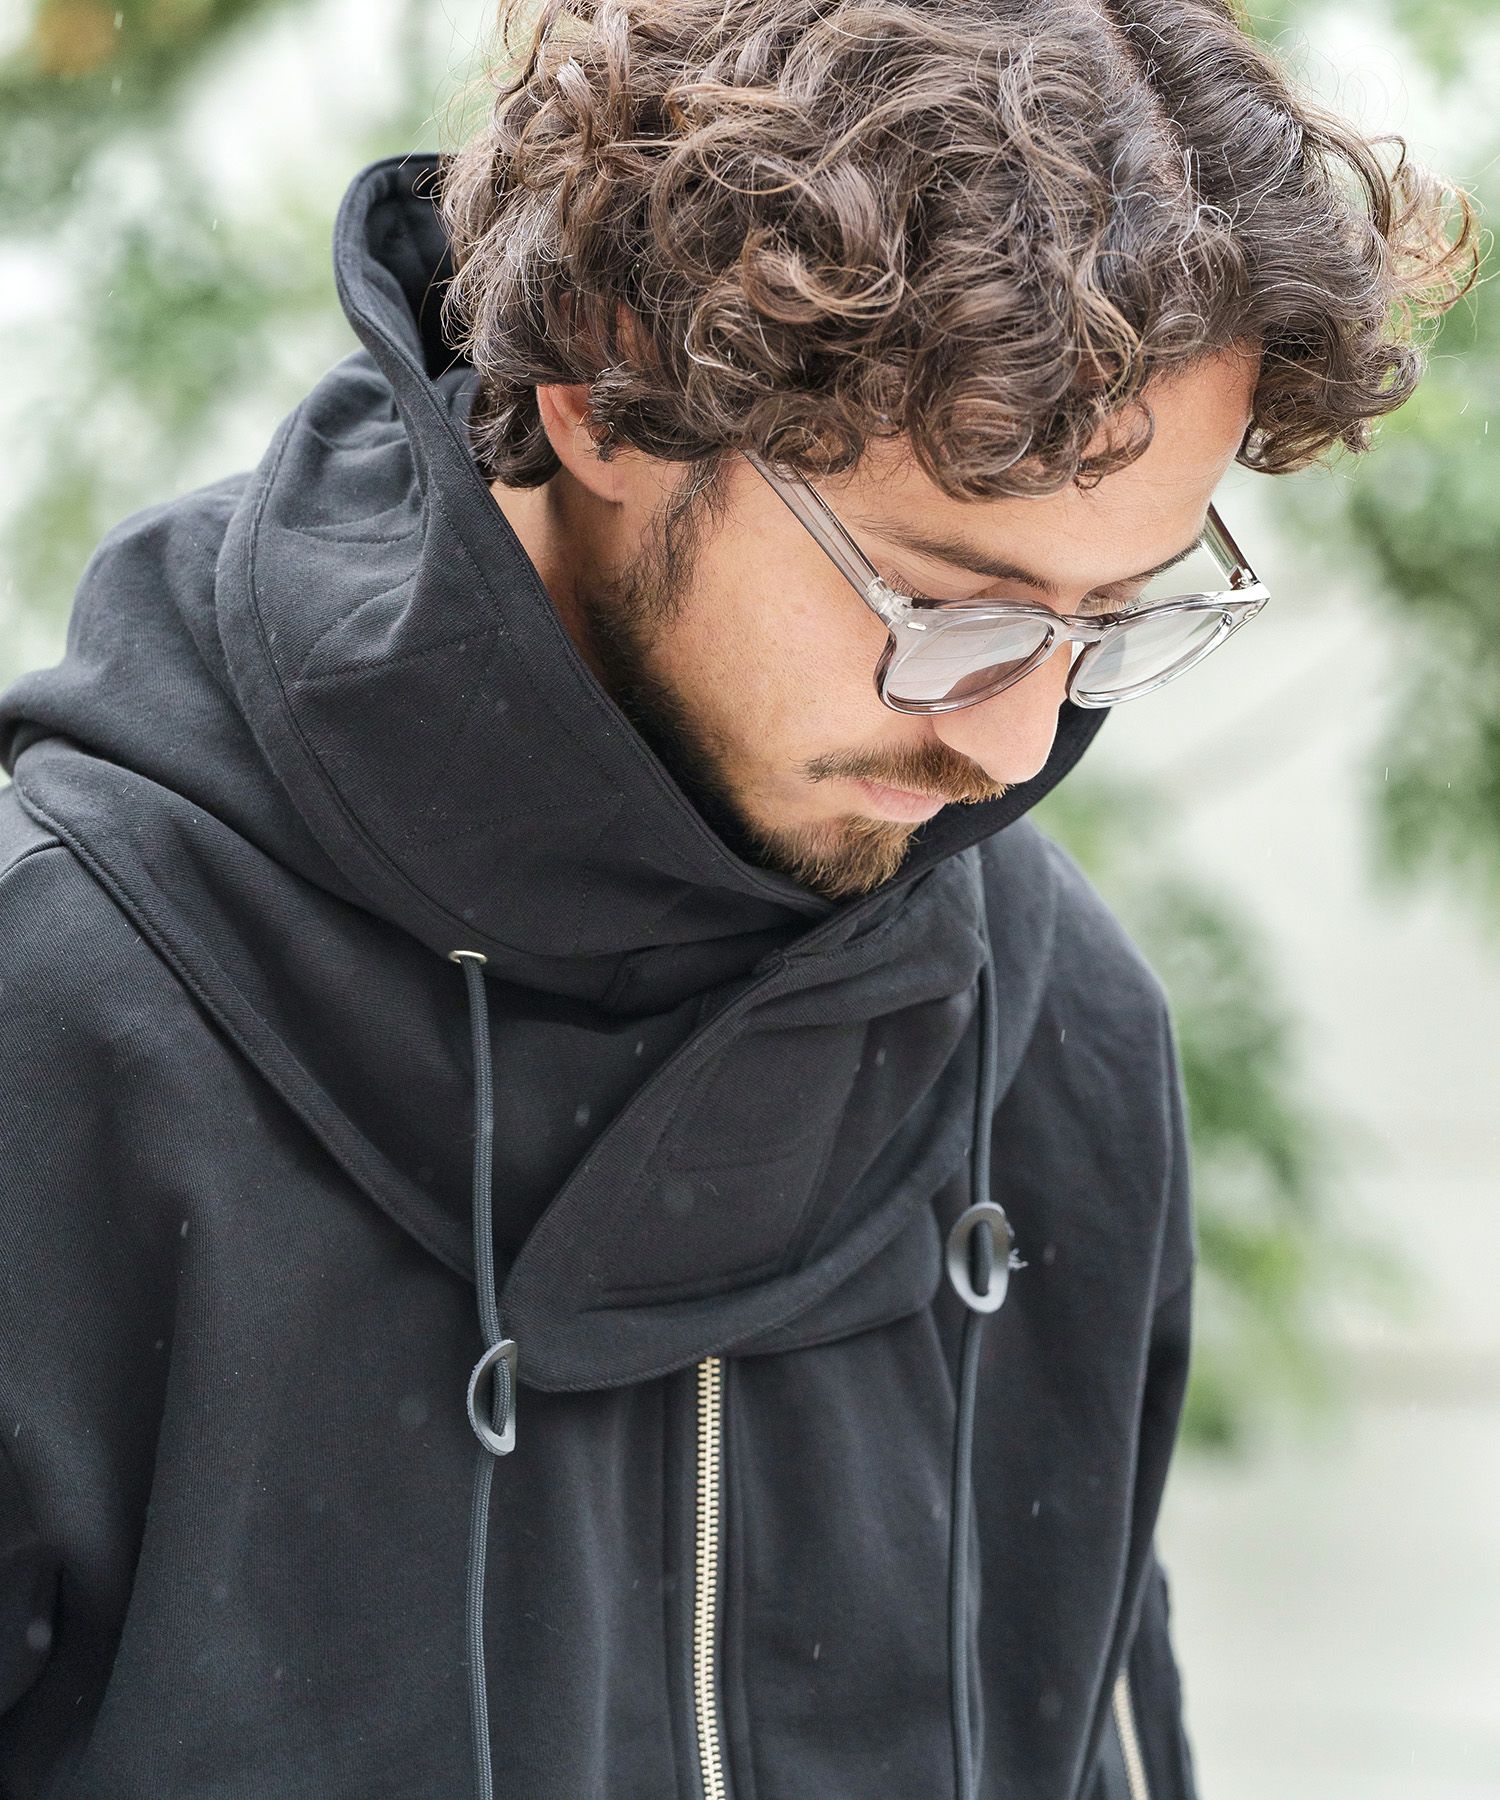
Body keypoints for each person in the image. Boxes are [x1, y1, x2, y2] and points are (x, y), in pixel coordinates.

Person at [0, 1, 1477, 1796]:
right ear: (604, 392)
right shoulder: (57, 1025)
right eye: (948, 603)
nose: (1013, 745)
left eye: (1111, 620)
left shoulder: (1060, 1022)